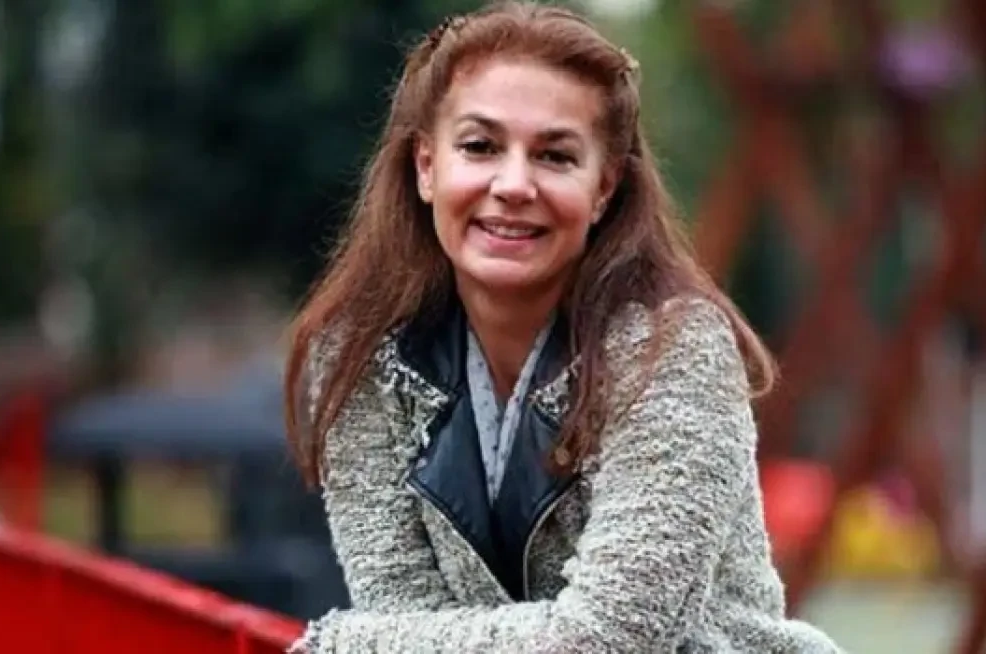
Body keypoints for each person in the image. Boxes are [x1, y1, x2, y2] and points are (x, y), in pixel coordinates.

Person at [282, 2, 842, 651]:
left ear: (604, 187)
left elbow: (612, 638)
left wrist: (343, 644)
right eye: (480, 147)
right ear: (426, 167)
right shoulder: (356, 359)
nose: (514, 184)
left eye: (554, 156)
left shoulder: (675, 350)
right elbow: (401, 615)